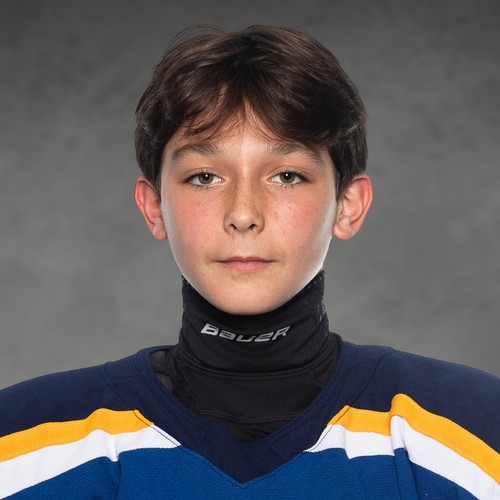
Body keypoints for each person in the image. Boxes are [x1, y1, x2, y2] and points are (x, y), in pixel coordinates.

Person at [0, 25, 498, 499]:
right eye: (203, 177)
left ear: (348, 206)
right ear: (154, 207)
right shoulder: (20, 444)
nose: (242, 214)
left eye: (286, 176)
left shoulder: (477, 432)